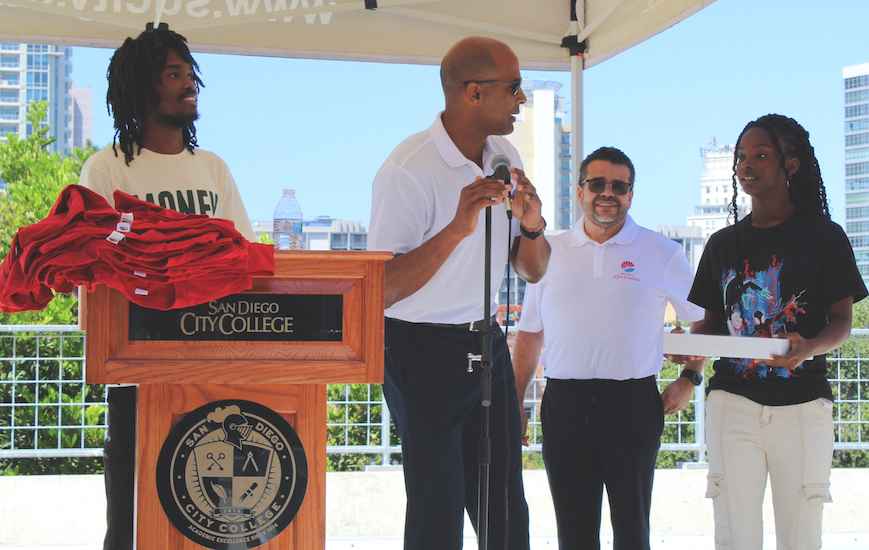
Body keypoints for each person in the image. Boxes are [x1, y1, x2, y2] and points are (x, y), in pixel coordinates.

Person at [368, 36, 550, 550]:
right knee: (437, 513)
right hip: (419, 351)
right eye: (514, 87)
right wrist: (456, 227)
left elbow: (533, 272)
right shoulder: (407, 169)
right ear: (473, 92)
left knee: (507, 512)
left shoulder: (505, 155)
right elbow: (381, 289)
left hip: (486, 344)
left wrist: (532, 226)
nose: (522, 99)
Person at [78, 27, 255, 550]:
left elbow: (242, 260)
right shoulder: (107, 168)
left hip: (210, 369)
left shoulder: (212, 168)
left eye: (189, 74)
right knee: (130, 526)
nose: (188, 85)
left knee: (206, 524)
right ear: (140, 90)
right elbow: (91, 273)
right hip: (135, 375)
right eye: (173, 75)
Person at [680, 114, 867, 550]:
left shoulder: (825, 236)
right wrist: (687, 348)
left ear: (792, 164)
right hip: (732, 403)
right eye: (742, 156)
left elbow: (843, 321)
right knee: (734, 537)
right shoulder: (722, 244)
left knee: (802, 538)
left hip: (803, 407)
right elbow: (711, 323)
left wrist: (811, 346)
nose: (747, 165)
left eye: (761, 155)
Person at [512, 146, 704, 550]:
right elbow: (530, 335)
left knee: (633, 532)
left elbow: (703, 319)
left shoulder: (662, 252)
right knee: (574, 534)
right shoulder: (547, 251)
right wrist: (515, 404)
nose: (607, 192)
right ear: (580, 191)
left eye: (619, 185)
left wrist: (690, 377)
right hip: (565, 404)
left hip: (632, 403)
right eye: (597, 183)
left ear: (631, 195)